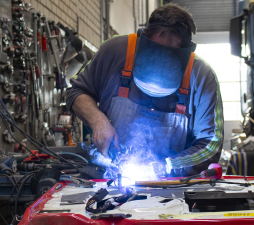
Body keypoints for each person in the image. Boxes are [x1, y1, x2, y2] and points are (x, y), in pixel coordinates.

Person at [67, 3, 224, 176]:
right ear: (142, 37)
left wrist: (166, 166)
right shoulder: (115, 51)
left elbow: (211, 145)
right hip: (109, 179)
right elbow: (77, 92)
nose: (159, 61)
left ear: (187, 54)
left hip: (172, 189)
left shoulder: (202, 77)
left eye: (169, 55)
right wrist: (98, 120)